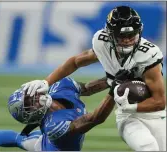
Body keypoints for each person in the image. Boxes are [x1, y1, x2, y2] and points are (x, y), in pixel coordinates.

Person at [21, 6, 166, 151]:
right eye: (122, 37)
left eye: (132, 35)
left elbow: (160, 102)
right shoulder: (103, 43)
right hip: (128, 116)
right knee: (148, 147)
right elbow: (75, 62)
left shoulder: (148, 55)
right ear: (110, 35)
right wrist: (46, 82)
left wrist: (131, 105)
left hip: (155, 114)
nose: (127, 40)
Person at [0, 77, 114, 151]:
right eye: (29, 103)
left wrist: (112, 80)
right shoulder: (53, 125)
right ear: (33, 114)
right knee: (20, 140)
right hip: (51, 148)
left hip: (56, 134)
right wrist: (114, 92)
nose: (34, 97)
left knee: (18, 138)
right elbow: (95, 118)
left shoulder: (60, 86)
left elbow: (86, 88)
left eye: (28, 96)